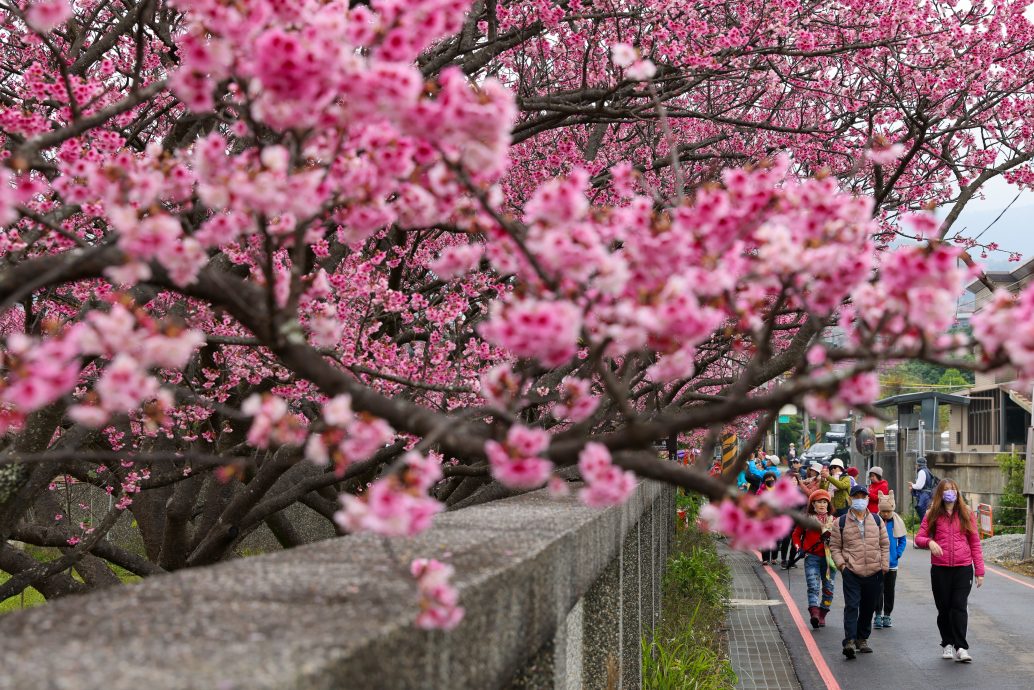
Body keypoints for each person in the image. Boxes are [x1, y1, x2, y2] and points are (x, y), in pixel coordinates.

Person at [914, 479, 985, 663]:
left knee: (959, 606)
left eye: (952, 489)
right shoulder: (932, 514)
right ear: (940, 494)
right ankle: (947, 643)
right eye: (946, 490)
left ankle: (961, 647)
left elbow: (975, 542)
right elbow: (919, 538)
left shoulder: (967, 514)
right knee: (944, 608)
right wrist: (930, 542)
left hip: (963, 568)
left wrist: (980, 571)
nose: (949, 492)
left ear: (957, 492)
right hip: (940, 569)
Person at [829, 484, 889, 659]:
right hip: (852, 572)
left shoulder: (877, 520)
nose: (860, 500)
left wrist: (884, 565)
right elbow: (834, 547)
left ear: (868, 499)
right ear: (850, 499)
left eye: (863, 497)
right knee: (852, 606)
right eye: (856, 497)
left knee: (868, 607)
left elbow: (885, 545)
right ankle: (849, 640)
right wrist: (842, 566)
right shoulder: (839, 522)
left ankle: (862, 639)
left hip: (875, 571)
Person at [792, 489, 836, 629]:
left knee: (829, 588)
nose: (822, 505)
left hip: (830, 560)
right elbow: (795, 535)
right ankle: (814, 613)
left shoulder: (835, 521)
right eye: (819, 502)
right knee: (813, 586)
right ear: (813, 504)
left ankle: (823, 613)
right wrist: (799, 548)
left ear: (829, 505)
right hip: (811, 557)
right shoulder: (806, 520)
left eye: (825, 502)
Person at [874, 491, 907, 629]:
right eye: (883, 511)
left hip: (892, 563)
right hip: (877, 563)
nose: (886, 514)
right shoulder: (875, 520)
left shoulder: (897, 522)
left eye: (888, 511)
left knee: (889, 590)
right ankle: (877, 615)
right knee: (877, 590)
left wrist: (897, 554)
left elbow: (903, 540)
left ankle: (887, 614)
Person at [778, 474, 805, 569]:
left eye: (795, 480)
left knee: (795, 540)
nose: (793, 482)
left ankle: (791, 560)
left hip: (797, 520)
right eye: (791, 480)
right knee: (786, 540)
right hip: (787, 520)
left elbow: (804, 505)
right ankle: (783, 560)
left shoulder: (801, 492)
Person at [757, 471, 780, 565]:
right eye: (767, 479)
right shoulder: (760, 490)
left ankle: (774, 557)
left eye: (772, 479)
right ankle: (765, 559)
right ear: (764, 480)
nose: (770, 480)